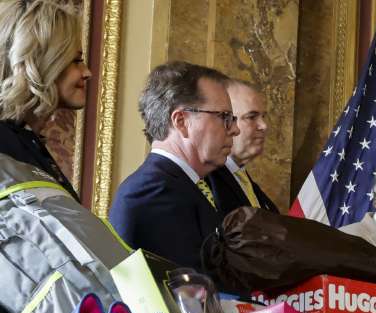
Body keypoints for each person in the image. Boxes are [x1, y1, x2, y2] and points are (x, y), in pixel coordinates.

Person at [109, 61, 237, 271]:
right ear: (181, 122)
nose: (234, 129)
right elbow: (189, 292)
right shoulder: (152, 193)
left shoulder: (192, 182)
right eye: (224, 117)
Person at [0, 0, 91, 199]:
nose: (87, 72)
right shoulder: (5, 147)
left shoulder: (26, 141)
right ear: (44, 63)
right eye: (76, 61)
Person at [206, 78, 278, 216]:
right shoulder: (206, 182)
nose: (264, 126)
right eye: (251, 117)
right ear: (225, 120)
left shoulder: (245, 180)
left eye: (263, 116)